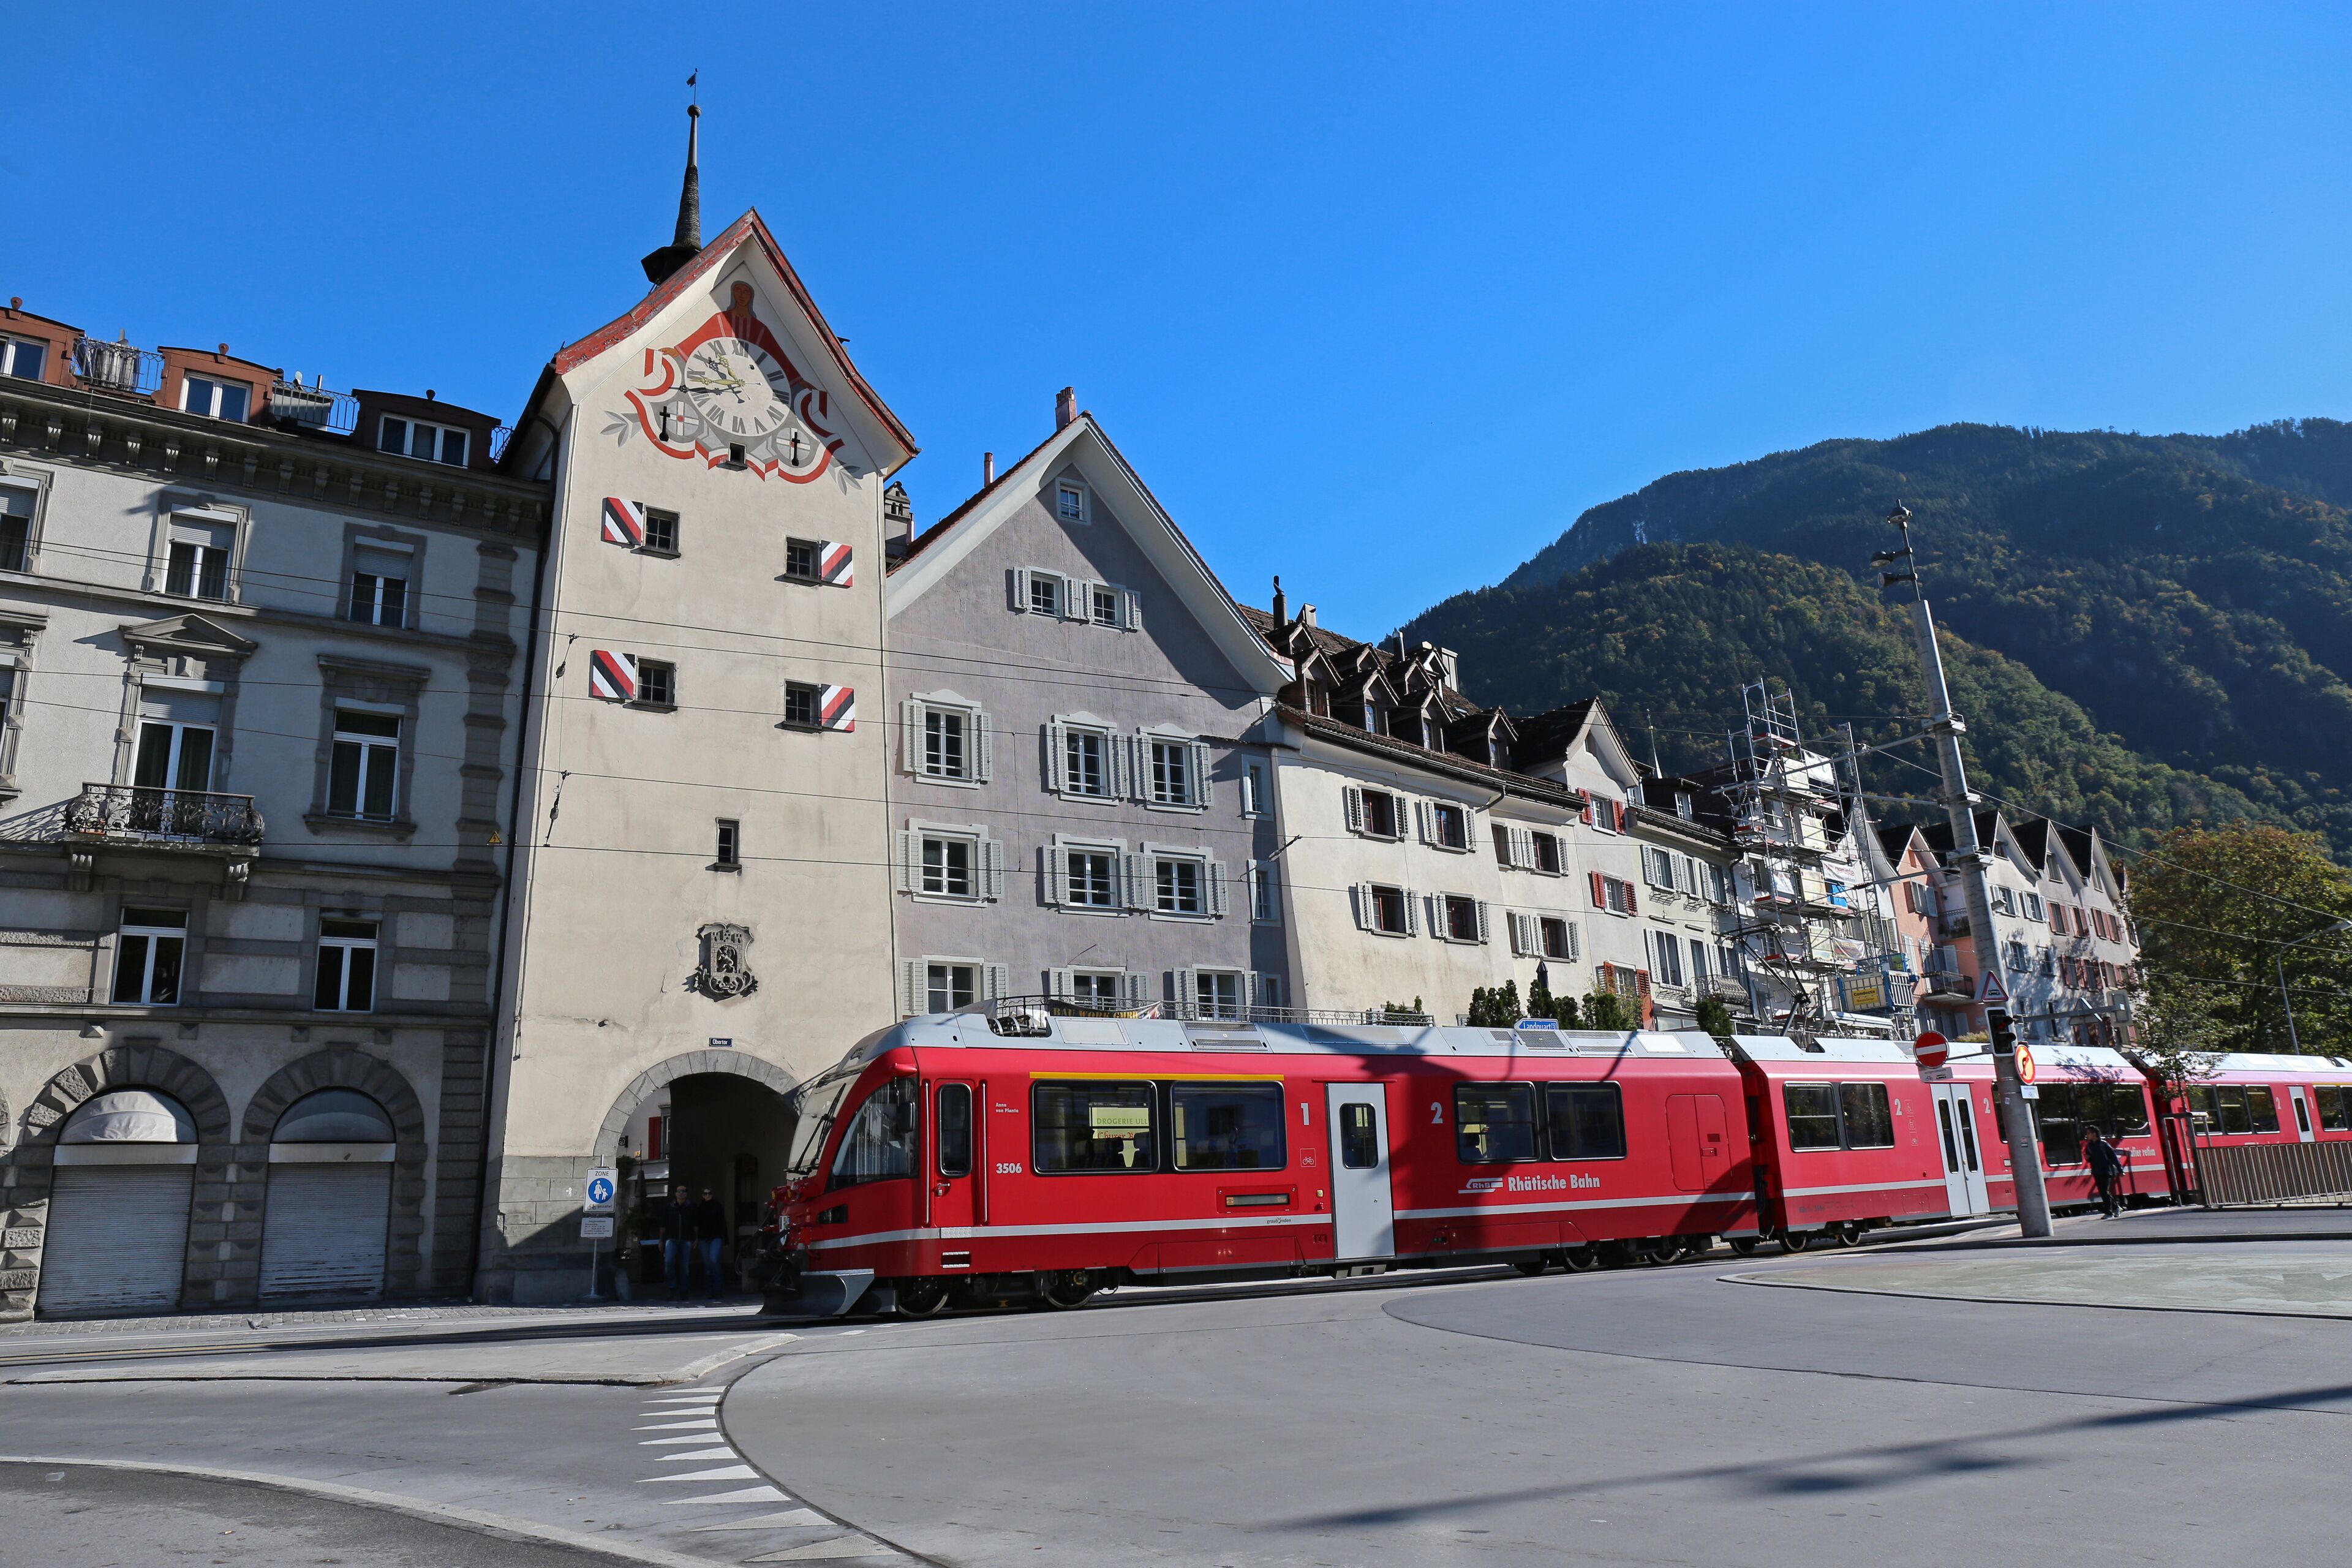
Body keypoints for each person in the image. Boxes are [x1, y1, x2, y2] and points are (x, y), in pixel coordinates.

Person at [693, 1186, 729, 1301]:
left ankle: (718, 1289)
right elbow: (696, 1224)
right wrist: (696, 1238)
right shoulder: (700, 1208)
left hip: (716, 1237)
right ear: (703, 1196)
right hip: (703, 1239)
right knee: (707, 1265)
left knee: (714, 1261)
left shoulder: (718, 1206)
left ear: (712, 1195)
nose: (707, 1195)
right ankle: (710, 1290)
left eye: (709, 1193)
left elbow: (723, 1223)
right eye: (705, 1194)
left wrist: (726, 1240)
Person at [662, 1189, 696, 1299]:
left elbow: (696, 1225)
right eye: (679, 1191)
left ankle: (684, 1290)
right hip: (671, 1239)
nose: (681, 1193)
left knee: (685, 1266)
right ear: (676, 1193)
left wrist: (696, 1238)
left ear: (686, 1194)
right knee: (669, 1262)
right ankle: (672, 1288)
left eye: (684, 1191)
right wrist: (661, 1240)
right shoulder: (669, 1207)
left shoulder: (691, 1207)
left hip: (687, 1239)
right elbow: (663, 1225)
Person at [2084, 1126, 2124, 1218]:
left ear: (2094, 1134)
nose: (2087, 1135)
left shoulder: (2104, 1144)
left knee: (2105, 1192)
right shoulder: (2089, 1146)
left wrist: (2120, 1170)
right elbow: (2090, 1159)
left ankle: (2109, 1213)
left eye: (2089, 1133)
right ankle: (2116, 1208)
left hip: (2106, 1171)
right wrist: (2088, 1158)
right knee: (2103, 1192)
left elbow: (2114, 1158)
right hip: (2096, 1171)